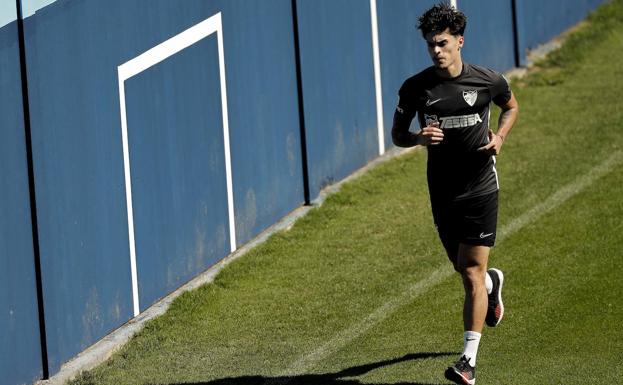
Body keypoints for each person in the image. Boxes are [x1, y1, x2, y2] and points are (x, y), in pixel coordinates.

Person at [391, 3, 519, 384]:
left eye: (443, 43)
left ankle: (468, 362)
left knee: (471, 273)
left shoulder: (487, 80)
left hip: (481, 188)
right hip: (442, 192)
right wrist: (416, 138)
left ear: (459, 41)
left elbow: (511, 107)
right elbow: (397, 135)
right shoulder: (416, 88)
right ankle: (493, 286)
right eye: (431, 45)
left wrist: (499, 137)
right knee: (465, 271)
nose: (436, 50)